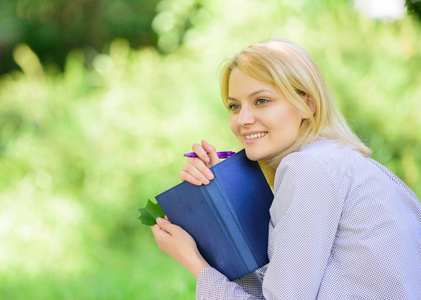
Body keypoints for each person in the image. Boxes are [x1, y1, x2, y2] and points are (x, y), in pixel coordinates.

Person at [151, 38, 421, 299]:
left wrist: (194, 261)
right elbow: (273, 287)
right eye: (234, 106)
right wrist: (222, 196)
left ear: (307, 104)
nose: (242, 119)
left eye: (261, 101)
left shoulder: (309, 167)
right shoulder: (339, 164)